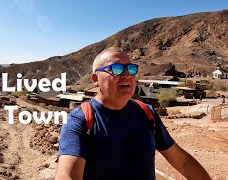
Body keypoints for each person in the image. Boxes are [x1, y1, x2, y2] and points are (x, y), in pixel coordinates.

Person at [55, 47, 211, 180]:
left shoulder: (146, 113)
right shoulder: (80, 120)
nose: (127, 75)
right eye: (116, 69)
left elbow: (182, 162)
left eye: (131, 69)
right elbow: (68, 175)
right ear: (96, 79)